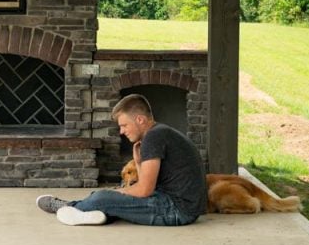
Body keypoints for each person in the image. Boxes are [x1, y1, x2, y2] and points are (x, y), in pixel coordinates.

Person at [36, 93, 207, 226]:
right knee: (115, 194)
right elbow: (148, 185)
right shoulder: (160, 132)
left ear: (140, 119)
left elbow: (144, 190)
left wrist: (115, 193)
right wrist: (138, 161)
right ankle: (98, 215)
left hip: (176, 211)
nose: (121, 132)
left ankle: (69, 207)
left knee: (103, 196)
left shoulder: (154, 137)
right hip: (182, 207)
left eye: (124, 125)